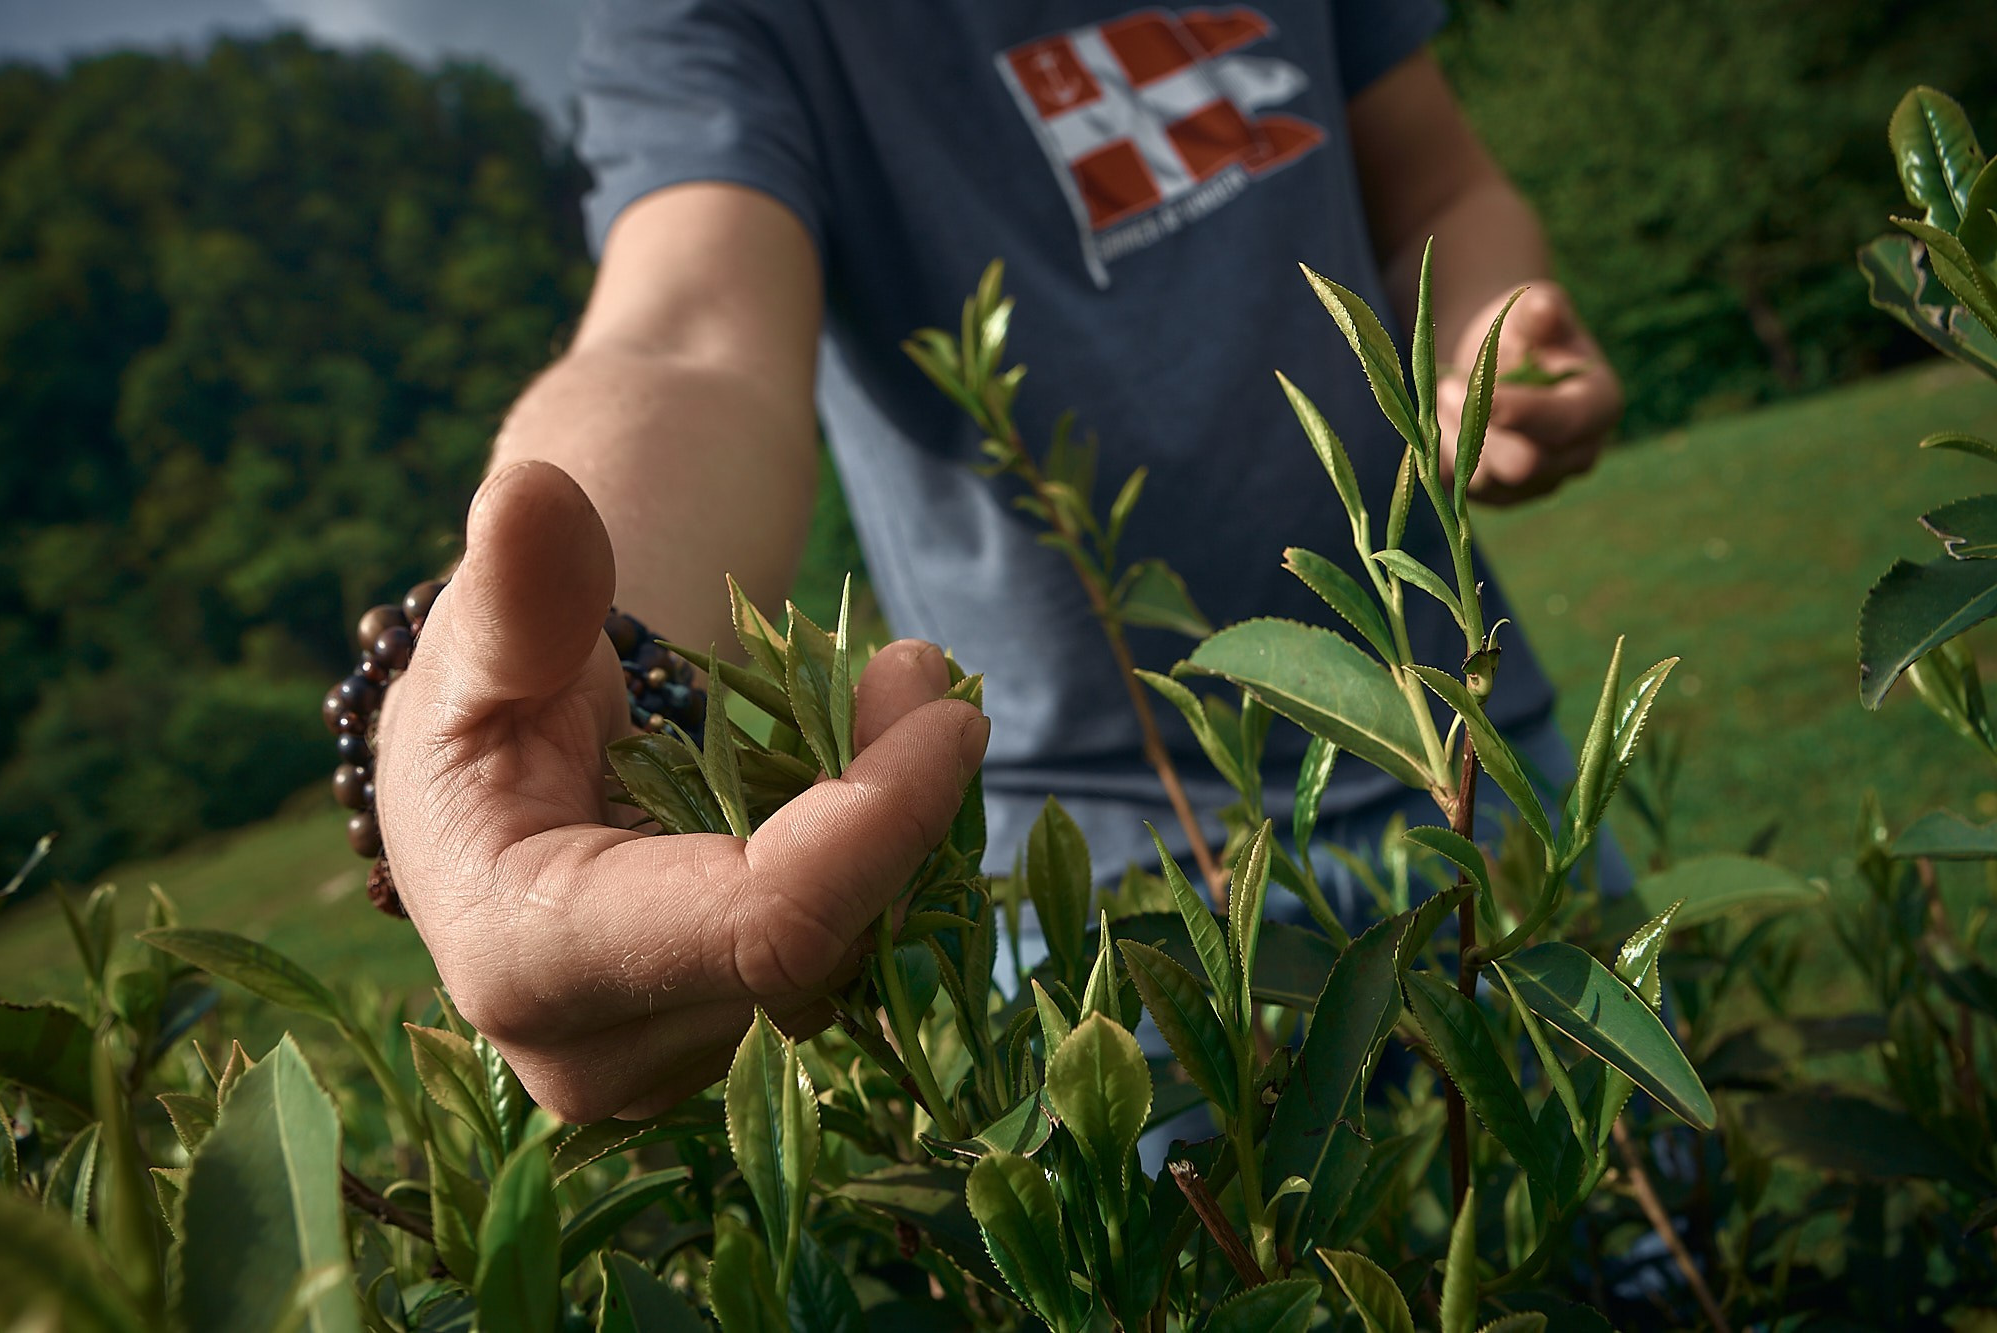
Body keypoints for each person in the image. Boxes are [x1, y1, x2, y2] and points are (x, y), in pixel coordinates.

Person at [373, 1, 1622, 1123]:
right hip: (1104, 883)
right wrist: (587, 640)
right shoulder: (728, 21)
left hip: (1468, 743)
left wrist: (1487, 328)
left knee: (1653, 1240)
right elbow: (689, 334)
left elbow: (1445, 190)